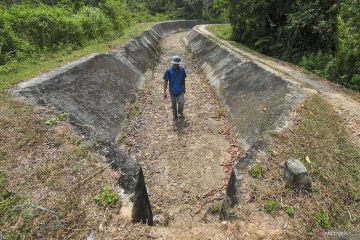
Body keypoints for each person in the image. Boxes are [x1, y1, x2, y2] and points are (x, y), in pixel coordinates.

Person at [163, 56, 187, 121]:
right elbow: (165, 81)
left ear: (179, 64)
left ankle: (180, 112)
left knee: (181, 102)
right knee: (173, 105)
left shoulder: (182, 70)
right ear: (172, 63)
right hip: (172, 91)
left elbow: (183, 80)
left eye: (177, 63)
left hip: (180, 90)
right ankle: (175, 115)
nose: (176, 65)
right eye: (175, 63)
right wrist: (164, 92)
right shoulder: (168, 71)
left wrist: (184, 88)